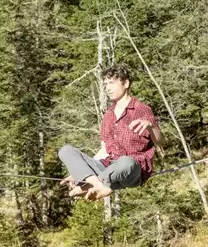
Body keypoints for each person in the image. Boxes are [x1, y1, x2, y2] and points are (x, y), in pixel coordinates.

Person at [58, 64, 158, 200]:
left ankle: (101, 185)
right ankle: (96, 183)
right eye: (105, 84)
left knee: (126, 162)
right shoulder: (108, 115)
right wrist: (82, 171)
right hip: (107, 167)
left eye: (112, 83)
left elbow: (162, 142)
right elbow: (105, 150)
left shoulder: (142, 109)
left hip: (133, 169)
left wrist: (151, 126)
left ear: (126, 83)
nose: (107, 88)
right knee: (66, 150)